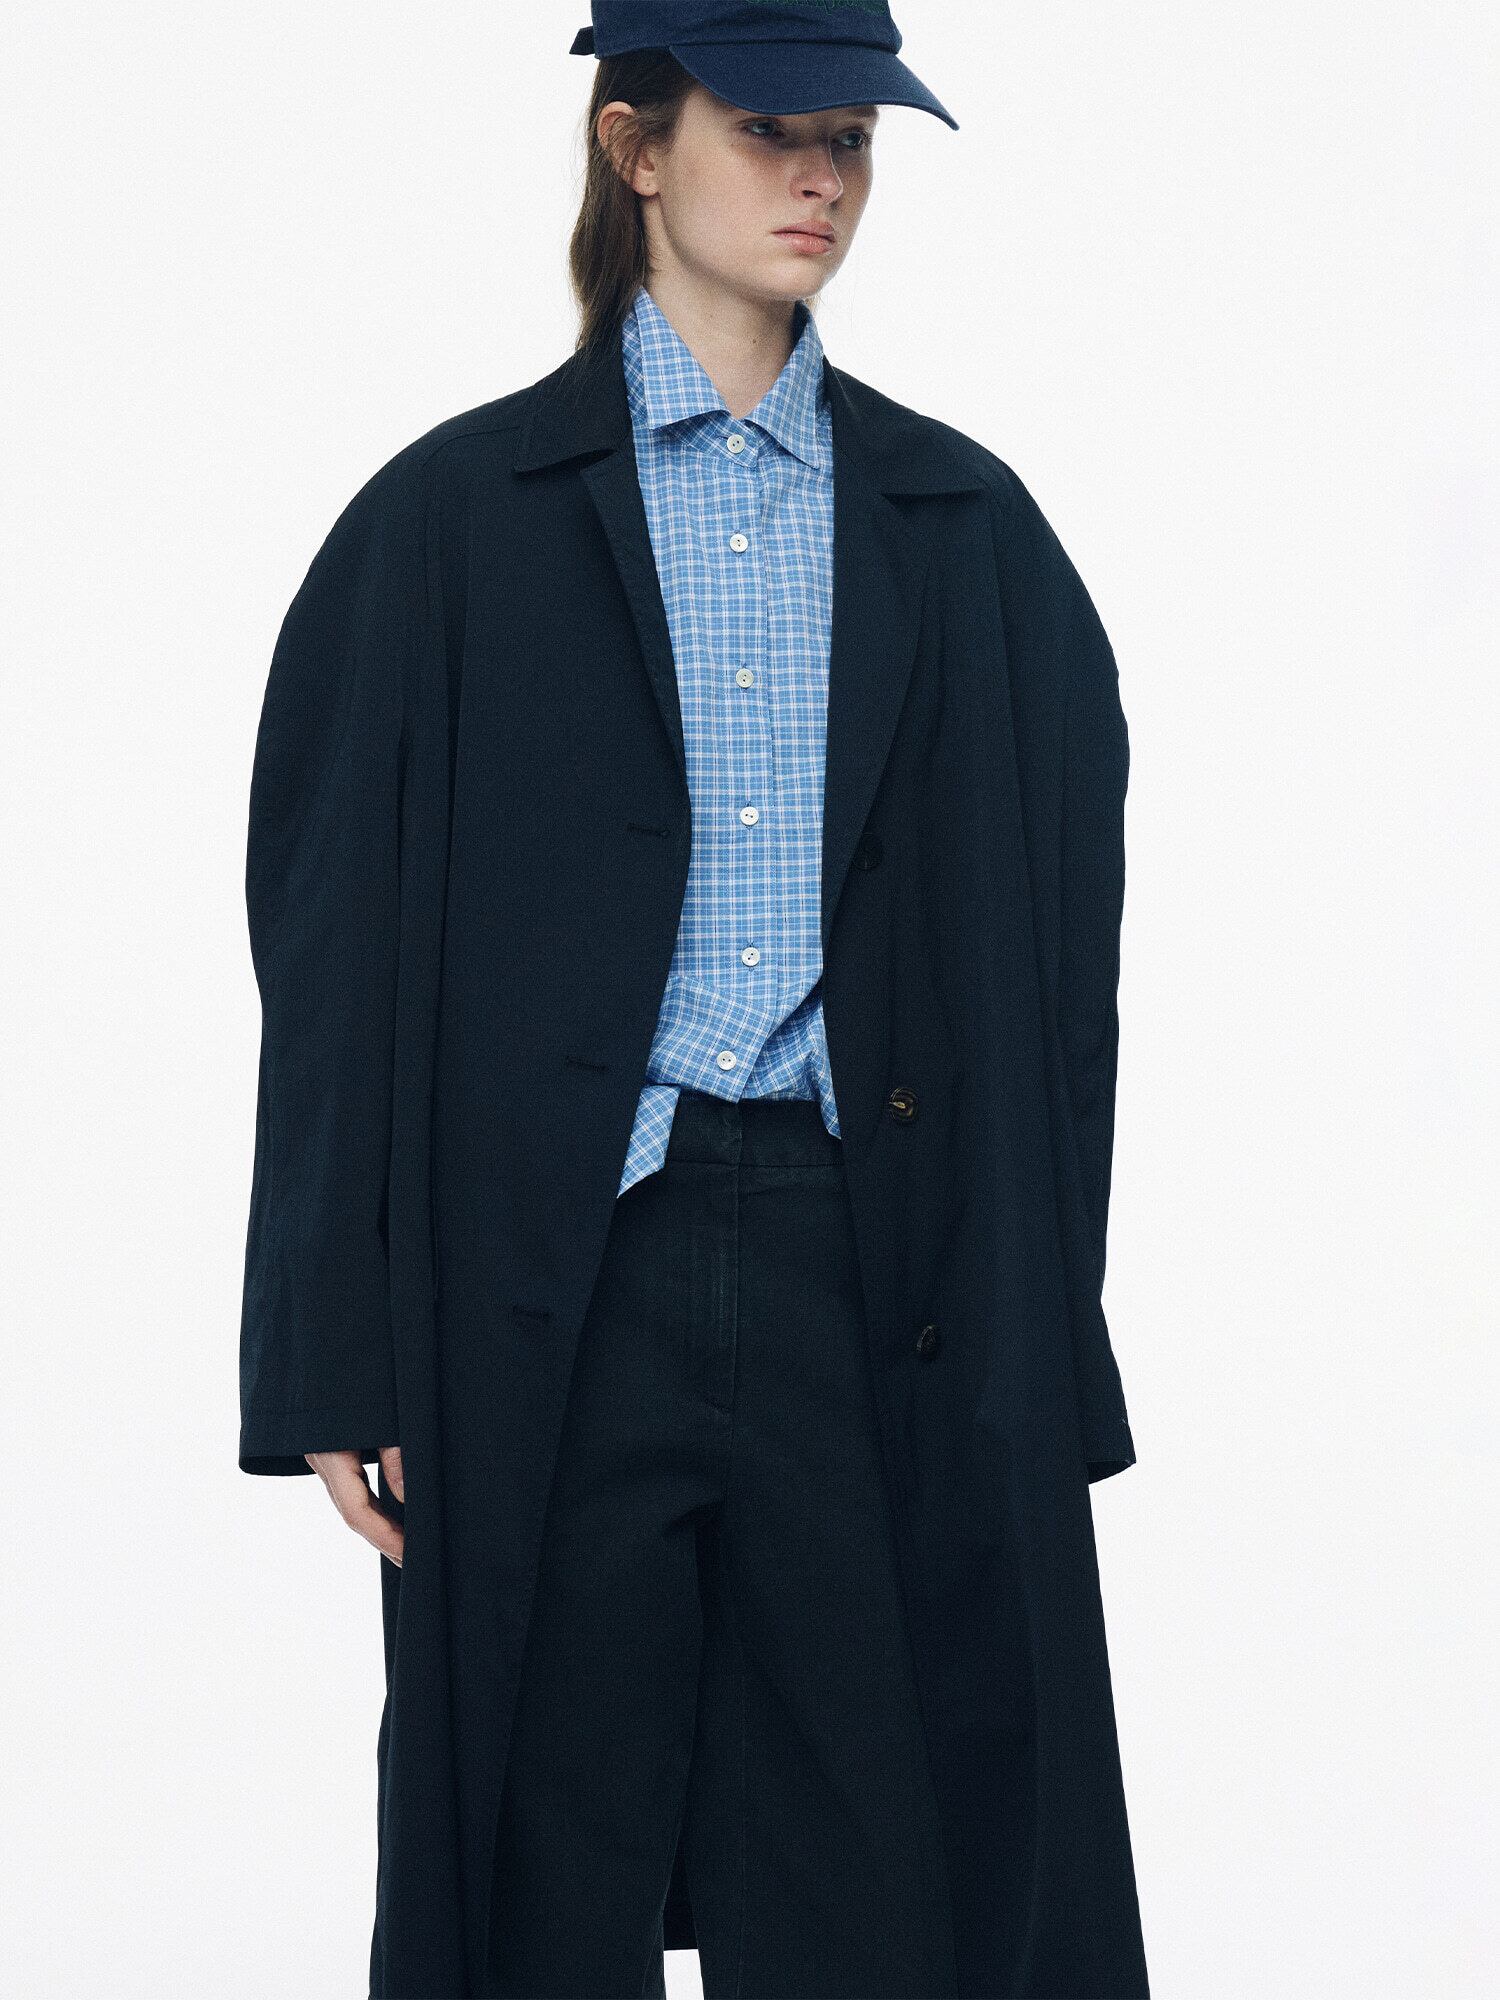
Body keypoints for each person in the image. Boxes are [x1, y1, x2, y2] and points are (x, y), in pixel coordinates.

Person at [237, 4, 1150, 1994]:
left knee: (881, 1866)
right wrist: (330, 1349)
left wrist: (1042, 1334)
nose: (822, 176)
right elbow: (329, 940)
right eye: (771, 131)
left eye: (854, 139)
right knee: (538, 1849)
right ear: (637, 148)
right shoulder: (448, 525)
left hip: (865, 1272)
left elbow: (1055, 987)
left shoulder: (964, 528)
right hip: (561, 1273)